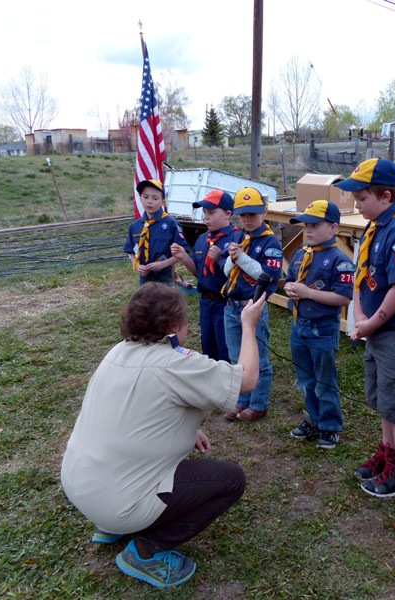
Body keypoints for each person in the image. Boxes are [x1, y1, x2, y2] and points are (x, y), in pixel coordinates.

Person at [61, 282, 266, 590]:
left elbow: (133, 408)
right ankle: (146, 551)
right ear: (174, 326)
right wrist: (248, 326)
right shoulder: (176, 364)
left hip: (79, 485)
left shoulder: (118, 351)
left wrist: (188, 427)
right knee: (230, 479)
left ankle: (108, 527)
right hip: (118, 504)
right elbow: (248, 379)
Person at [336, 158, 395, 498]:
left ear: (386, 196)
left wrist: (371, 323)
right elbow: (363, 278)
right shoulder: (376, 225)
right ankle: (388, 454)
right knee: (384, 398)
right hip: (378, 330)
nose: (357, 205)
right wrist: (359, 314)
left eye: (362, 199)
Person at [285, 200, 355, 449]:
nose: (309, 230)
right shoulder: (302, 253)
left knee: (324, 379)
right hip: (299, 327)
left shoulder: (340, 261)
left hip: (322, 329)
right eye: (306, 225)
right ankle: (313, 419)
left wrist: (307, 293)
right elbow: (289, 279)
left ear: (334, 227)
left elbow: (344, 298)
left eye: (315, 224)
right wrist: (290, 288)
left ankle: (330, 425)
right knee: (305, 378)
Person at [221, 186, 283, 422]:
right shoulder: (240, 237)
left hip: (253, 307)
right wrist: (231, 257)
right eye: (243, 214)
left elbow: (266, 276)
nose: (247, 219)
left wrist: (242, 258)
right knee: (237, 357)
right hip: (232, 305)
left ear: (264, 212)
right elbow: (227, 272)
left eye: (253, 214)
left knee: (260, 358)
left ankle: (259, 403)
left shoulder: (271, 244)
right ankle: (242, 399)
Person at [171, 189, 239, 361]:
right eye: (204, 212)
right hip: (206, 303)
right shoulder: (203, 239)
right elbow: (199, 273)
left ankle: (227, 383)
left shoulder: (237, 238)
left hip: (225, 303)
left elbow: (240, 275)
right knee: (208, 347)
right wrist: (184, 257)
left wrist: (220, 260)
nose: (206, 217)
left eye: (211, 212)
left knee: (226, 349)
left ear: (227, 214)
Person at [125, 179, 190, 286]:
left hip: (164, 274)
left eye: (155, 198)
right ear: (140, 198)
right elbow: (130, 251)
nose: (149, 201)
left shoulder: (171, 223)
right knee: (146, 301)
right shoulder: (135, 226)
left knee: (165, 301)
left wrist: (163, 264)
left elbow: (183, 252)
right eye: (145, 197)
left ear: (162, 201)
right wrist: (137, 266)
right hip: (144, 276)